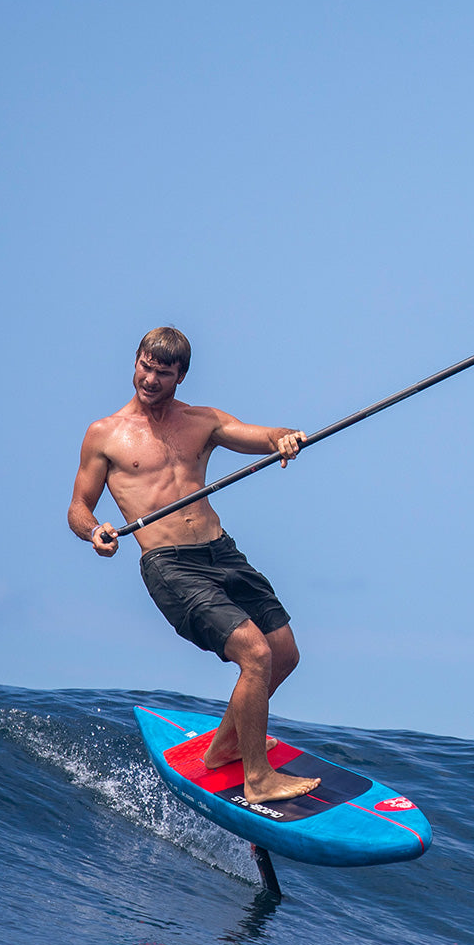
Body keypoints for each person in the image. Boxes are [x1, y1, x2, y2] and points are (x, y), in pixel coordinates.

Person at [68, 326, 320, 805]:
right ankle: (258, 778)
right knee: (255, 654)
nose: (150, 379)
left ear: (181, 375)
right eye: (145, 366)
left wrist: (284, 439)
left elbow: (261, 435)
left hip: (220, 551)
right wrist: (93, 530)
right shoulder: (106, 434)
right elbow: (78, 505)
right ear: (136, 361)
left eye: (163, 373)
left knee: (284, 653)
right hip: (169, 565)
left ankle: (225, 745)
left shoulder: (201, 421)